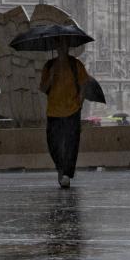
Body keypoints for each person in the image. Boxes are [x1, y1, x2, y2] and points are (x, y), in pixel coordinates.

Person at [39, 37, 90, 189]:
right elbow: (43, 88)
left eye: (64, 45)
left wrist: (80, 101)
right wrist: (52, 75)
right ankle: (60, 168)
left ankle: (66, 173)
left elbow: (84, 83)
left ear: (68, 47)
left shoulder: (76, 64)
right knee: (53, 144)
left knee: (71, 144)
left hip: (72, 109)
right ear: (56, 47)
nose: (62, 48)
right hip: (54, 110)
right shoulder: (49, 66)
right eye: (59, 45)